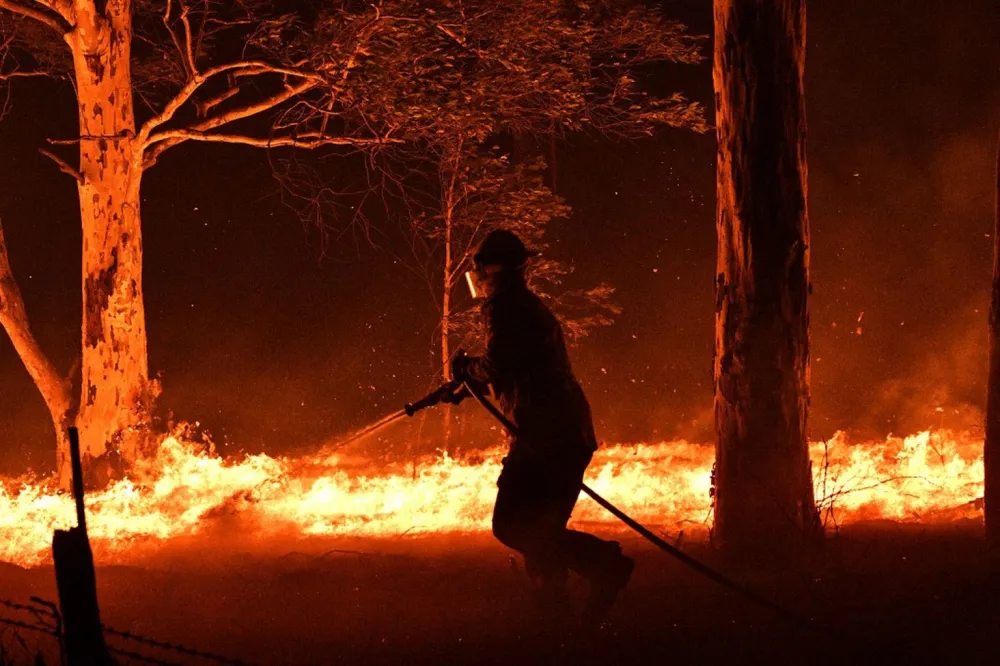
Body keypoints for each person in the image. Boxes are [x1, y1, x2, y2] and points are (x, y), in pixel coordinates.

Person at [451, 229, 634, 625]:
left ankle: (604, 564)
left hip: (546, 439)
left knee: (513, 526)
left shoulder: (506, 308)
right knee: (539, 533)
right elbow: (516, 367)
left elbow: (497, 365)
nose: (478, 278)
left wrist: (466, 368)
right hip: (561, 435)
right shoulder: (524, 307)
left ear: (491, 268)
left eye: (480, 269)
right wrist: (469, 383)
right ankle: (558, 625)